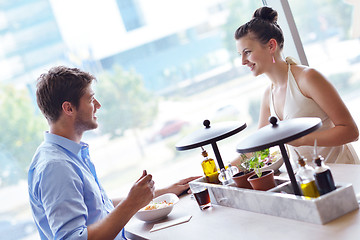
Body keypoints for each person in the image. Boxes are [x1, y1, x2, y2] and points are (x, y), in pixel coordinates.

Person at [28, 66, 199, 240]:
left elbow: (99, 208)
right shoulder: (56, 167)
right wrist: (131, 204)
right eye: (91, 99)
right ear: (68, 108)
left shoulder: (67, 155)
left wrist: (159, 193)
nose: (98, 105)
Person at [232, 6, 359, 166]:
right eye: (240, 54)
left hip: (344, 173)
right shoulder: (268, 94)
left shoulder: (308, 78)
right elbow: (258, 147)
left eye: (247, 52)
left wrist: (303, 140)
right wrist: (219, 172)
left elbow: (351, 131)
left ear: (271, 46)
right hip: (309, 182)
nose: (243, 61)